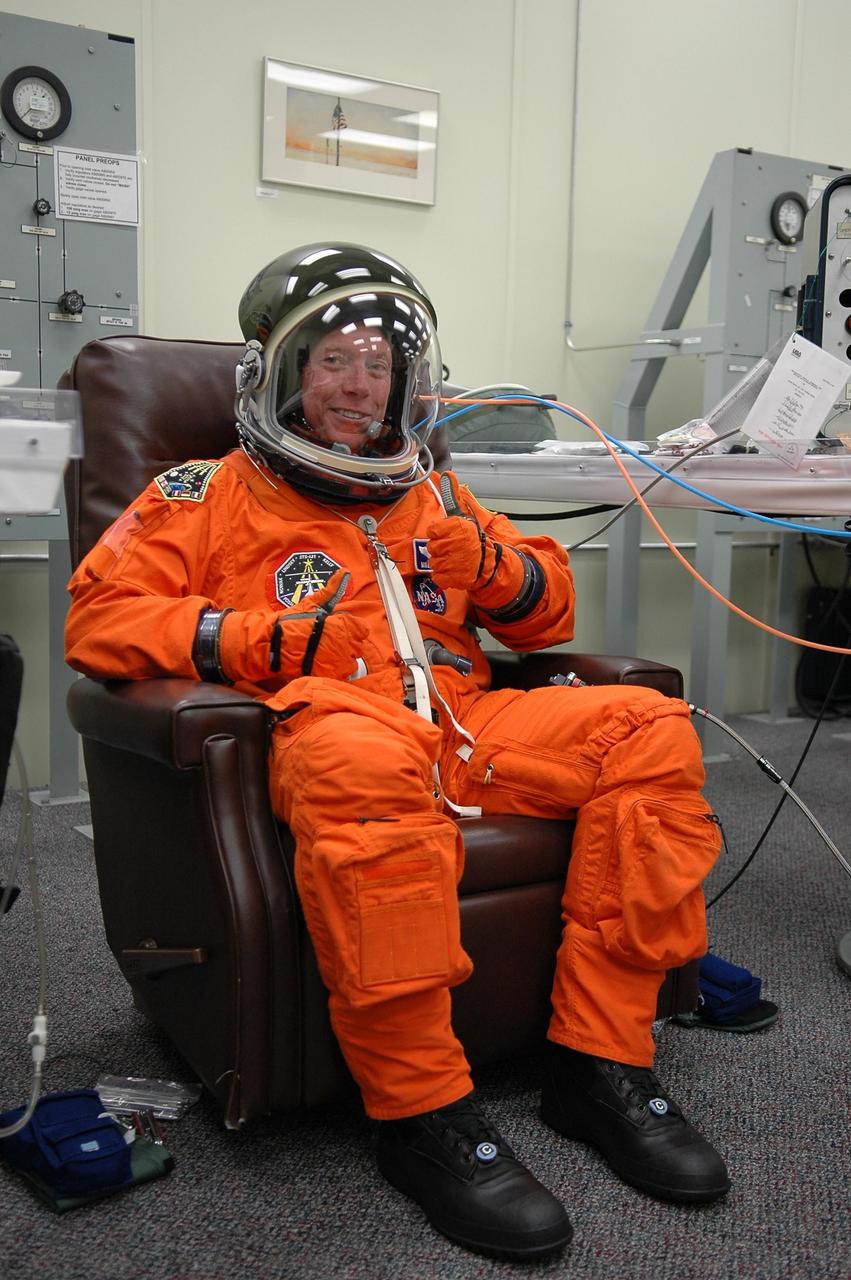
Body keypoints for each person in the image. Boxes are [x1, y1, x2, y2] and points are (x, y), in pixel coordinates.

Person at [65, 242, 729, 1262]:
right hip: (336, 724)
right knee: (358, 768)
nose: (357, 384)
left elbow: (545, 615)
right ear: (278, 374)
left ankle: (597, 1059)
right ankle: (422, 1113)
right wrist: (233, 638)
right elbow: (100, 615)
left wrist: (495, 566)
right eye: (334, 359)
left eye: (377, 364)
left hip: (464, 719)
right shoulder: (208, 491)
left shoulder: (432, 493)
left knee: (643, 727)